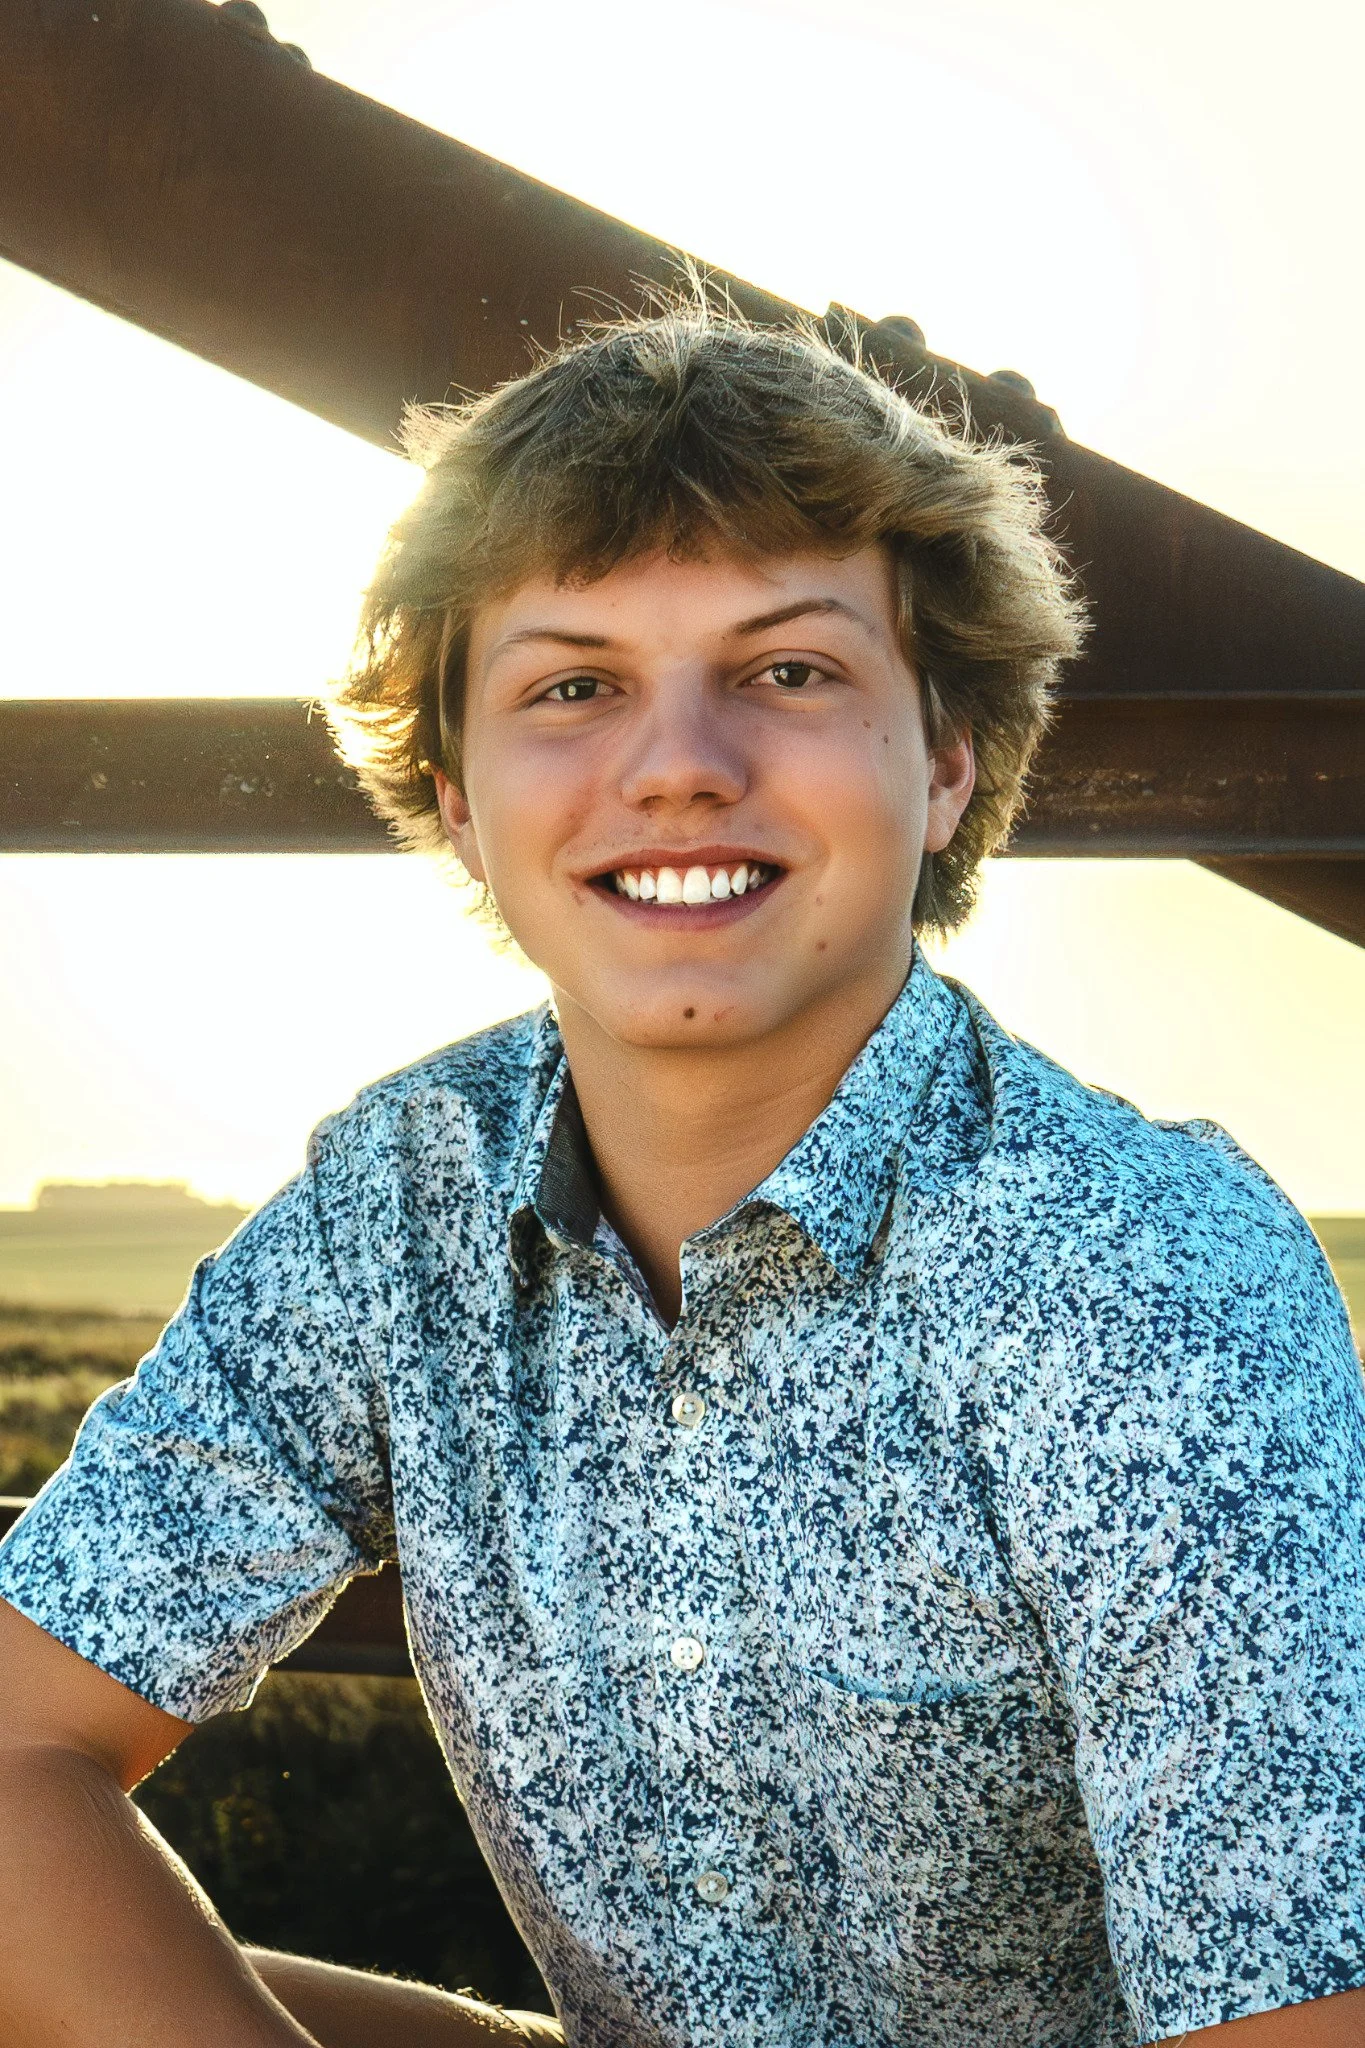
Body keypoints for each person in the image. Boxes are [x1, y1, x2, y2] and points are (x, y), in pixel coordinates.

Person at [0, 309, 1362, 2048]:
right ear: (458, 796)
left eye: (788, 672)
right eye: (573, 687)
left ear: (946, 760)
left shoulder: (1141, 1276)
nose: (679, 767)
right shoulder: (402, 1198)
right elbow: (19, 1741)